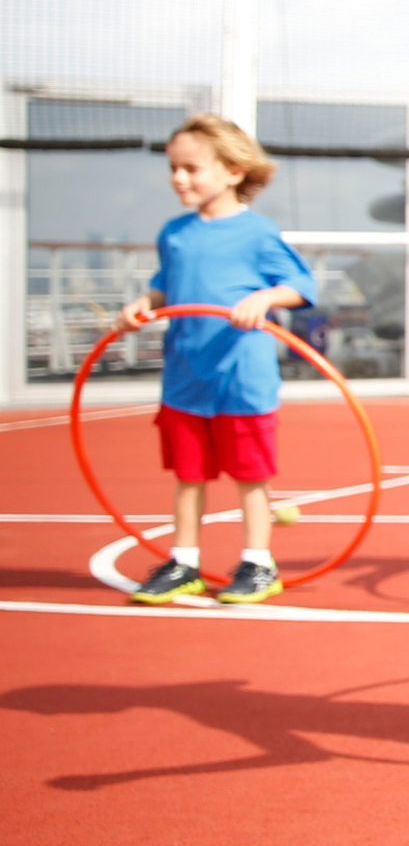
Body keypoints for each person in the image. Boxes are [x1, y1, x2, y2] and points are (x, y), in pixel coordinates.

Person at [118, 115, 318, 607]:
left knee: (250, 476)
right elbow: (166, 285)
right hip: (186, 378)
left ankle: (258, 563)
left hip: (240, 378)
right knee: (188, 476)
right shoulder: (176, 233)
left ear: (232, 172)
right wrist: (143, 305)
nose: (178, 178)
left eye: (191, 168)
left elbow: (302, 286)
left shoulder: (256, 233)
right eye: (174, 168)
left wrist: (267, 298)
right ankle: (183, 561)